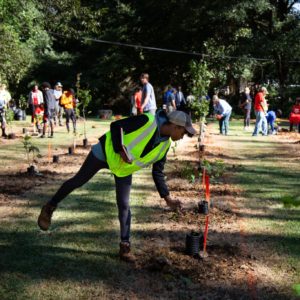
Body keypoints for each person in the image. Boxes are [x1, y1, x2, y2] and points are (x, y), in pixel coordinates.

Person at [37, 110, 196, 262]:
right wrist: (120, 150)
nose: (183, 137)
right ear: (175, 126)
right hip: (105, 152)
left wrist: (167, 198)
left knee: (124, 205)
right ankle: (49, 207)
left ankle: (125, 247)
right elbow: (116, 126)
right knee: (78, 181)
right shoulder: (147, 121)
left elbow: (158, 173)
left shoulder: (165, 145)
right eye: (183, 133)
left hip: (123, 169)